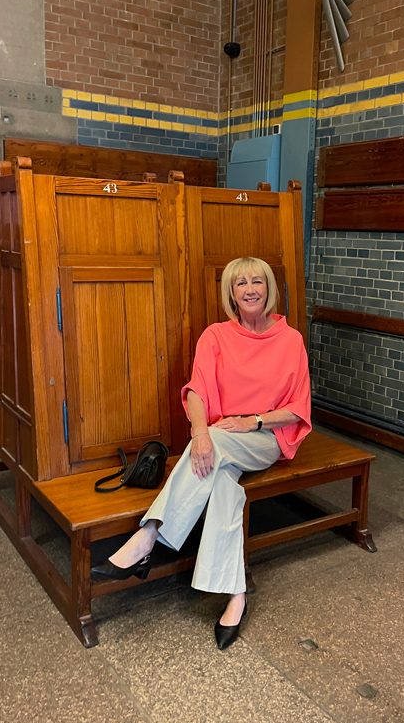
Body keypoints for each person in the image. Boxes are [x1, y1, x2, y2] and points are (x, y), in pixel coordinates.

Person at [91, 256, 311, 649]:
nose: (250, 289)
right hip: (218, 440)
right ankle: (236, 595)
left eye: (257, 281)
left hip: (265, 438)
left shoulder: (290, 340)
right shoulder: (215, 336)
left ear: (269, 288)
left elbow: (297, 408)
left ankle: (149, 536)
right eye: (241, 283)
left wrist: (251, 421)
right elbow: (197, 391)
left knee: (215, 443)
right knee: (224, 485)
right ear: (231, 293)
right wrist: (200, 433)